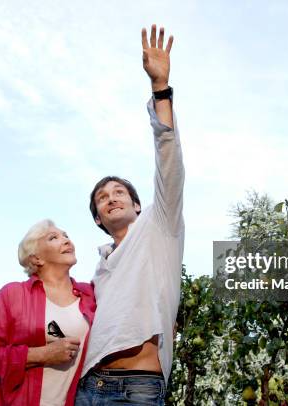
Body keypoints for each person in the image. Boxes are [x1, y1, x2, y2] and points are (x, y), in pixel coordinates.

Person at [76, 24, 184, 405]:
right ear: (98, 219)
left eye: (119, 191)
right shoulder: (99, 269)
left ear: (138, 205)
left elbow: (169, 161)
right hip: (90, 386)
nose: (111, 198)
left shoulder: (160, 226)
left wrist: (160, 89)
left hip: (138, 387)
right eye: (102, 198)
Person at [0, 219, 96, 406]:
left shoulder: (90, 294)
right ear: (36, 259)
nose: (66, 240)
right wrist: (44, 354)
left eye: (66, 236)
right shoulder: (12, 294)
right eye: (53, 237)